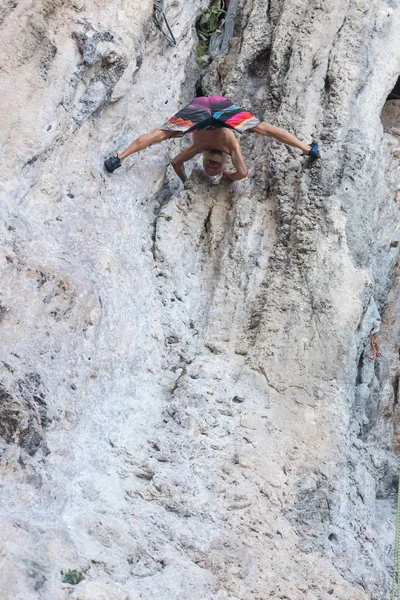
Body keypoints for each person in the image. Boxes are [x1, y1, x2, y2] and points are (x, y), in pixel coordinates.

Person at [104, 95, 320, 183]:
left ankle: (119, 158)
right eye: (215, 166)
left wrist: (186, 181)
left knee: (160, 134)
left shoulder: (201, 147)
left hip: (204, 107)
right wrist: (228, 175)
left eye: (211, 166)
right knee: (263, 129)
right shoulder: (227, 146)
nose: (212, 166)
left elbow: (176, 162)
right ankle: (306, 148)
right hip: (217, 109)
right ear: (222, 160)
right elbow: (243, 172)